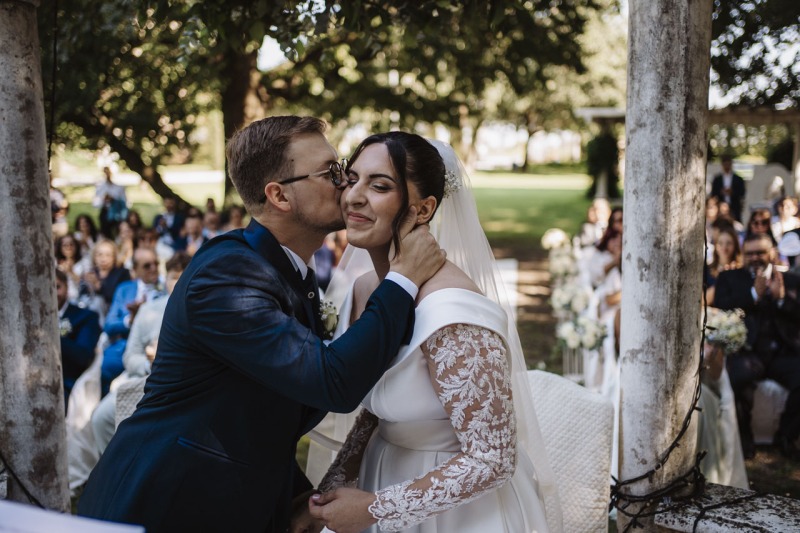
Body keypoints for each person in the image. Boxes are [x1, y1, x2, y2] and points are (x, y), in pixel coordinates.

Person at [77, 116, 445, 532]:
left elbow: (261, 416)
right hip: (161, 506)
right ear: (279, 196)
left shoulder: (290, 273)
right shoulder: (228, 276)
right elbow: (333, 383)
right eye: (332, 173)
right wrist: (402, 279)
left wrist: (300, 500)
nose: (347, 185)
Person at [301, 133, 559, 533]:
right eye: (351, 179)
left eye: (380, 185)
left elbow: (493, 458)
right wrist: (330, 487)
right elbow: (378, 404)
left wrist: (376, 510)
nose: (353, 196)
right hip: (378, 476)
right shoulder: (365, 290)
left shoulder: (454, 312)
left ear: (423, 209)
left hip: (459, 512)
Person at [90, 252, 191, 454]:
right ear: (166, 279)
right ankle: (115, 472)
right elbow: (130, 356)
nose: (178, 282)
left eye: (184, 275)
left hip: (184, 383)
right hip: (145, 377)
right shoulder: (148, 311)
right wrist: (149, 362)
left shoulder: (202, 309)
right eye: (174, 276)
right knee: (101, 417)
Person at [714, 233, 800, 459]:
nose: (755, 258)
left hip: (782, 353)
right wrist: (753, 295)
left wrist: (782, 300)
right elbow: (722, 307)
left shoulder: (790, 280)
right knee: (737, 378)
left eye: (760, 252)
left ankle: (786, 436)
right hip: (748, 352)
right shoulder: (729, 278)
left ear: (772, 253)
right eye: (750, 253)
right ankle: (744, 439)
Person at [100, 247, 165, 397]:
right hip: (124, 345)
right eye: (147, 265)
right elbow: (109, 325)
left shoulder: (166, 290)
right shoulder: (124, 289)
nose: (153, 269)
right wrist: (130, 320)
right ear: (135, 269)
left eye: (156, 263)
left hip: (154, 347)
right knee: (107, 367)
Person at [56, 269, 101, 411]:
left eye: (56, 287)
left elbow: (83, 356)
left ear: (66, 287)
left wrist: (51, 336)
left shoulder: (85, 317)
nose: (51, 292)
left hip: (67, 384)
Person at [93, 166, 128, 238]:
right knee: (106, 231)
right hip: (105, 212)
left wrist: (114, 199)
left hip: (117, 213)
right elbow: (95, 203)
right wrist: (103, 199)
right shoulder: (100, 187)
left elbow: (124, 201)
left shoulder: (119, 187)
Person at [710, 154, 746, 222]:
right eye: (725, 164)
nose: (727, 166)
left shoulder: (738, 179)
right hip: (720, 207)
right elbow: (713, 193)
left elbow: (742, 192)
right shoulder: (717, 179)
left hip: (734, 207)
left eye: (728, 164)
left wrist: (732, 192)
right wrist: (721, 192)